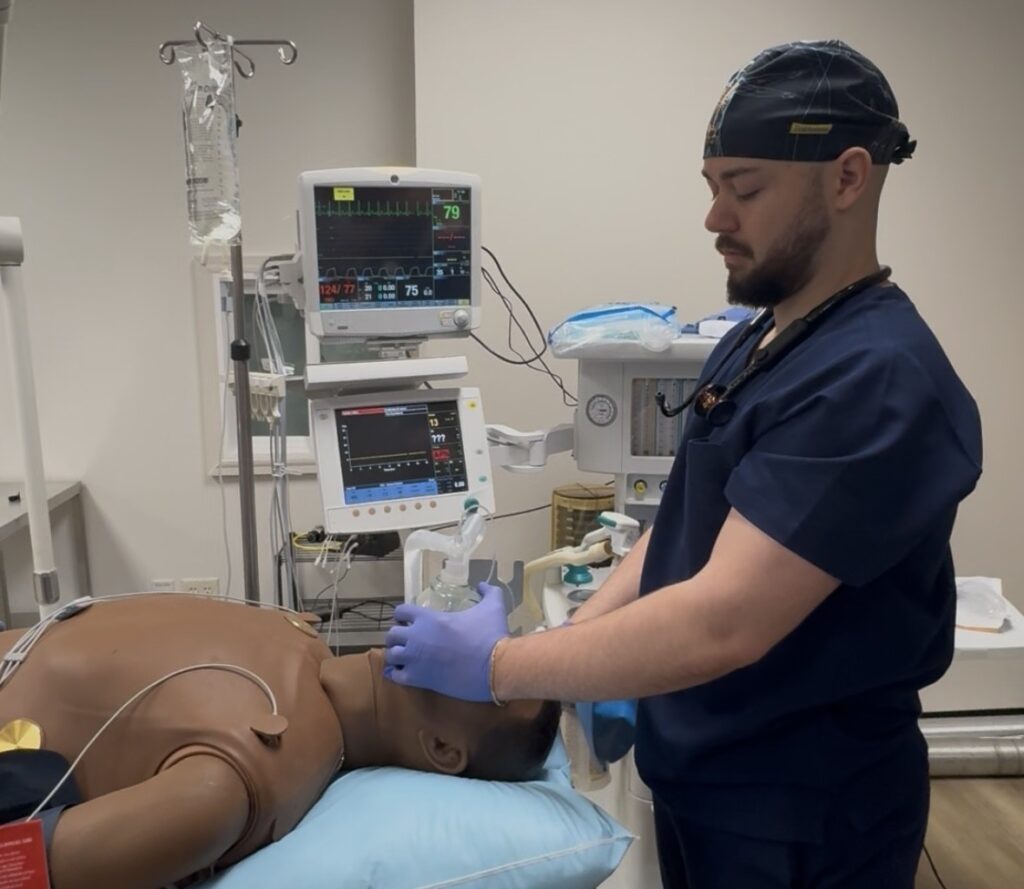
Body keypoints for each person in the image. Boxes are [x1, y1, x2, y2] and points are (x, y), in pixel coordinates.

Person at [383, 39, 983, 888]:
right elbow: (682, 530)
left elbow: (721, 619)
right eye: (711, 188)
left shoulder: (878, 380)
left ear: (849, 178)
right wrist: (563, 640)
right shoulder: (756, 340)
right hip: (710, 784)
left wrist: (496, 668)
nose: (714, 218)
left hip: (802, 812)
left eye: (745, 189)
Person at [0, 594, 559, 889]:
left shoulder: (238, 779)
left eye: (491, 672)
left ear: (442, 750)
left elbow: (26, 867)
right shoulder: (299, 638)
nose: (467, 632)